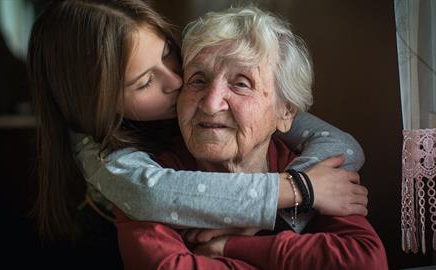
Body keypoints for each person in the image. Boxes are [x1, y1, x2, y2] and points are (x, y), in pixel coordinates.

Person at [28, 0, 366, 247]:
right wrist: (299, 190)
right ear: (97, 105)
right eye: (144, 82)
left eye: (167, 55)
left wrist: (282, 210)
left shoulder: (238, 105)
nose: (177, 81)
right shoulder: (100, 151)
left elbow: (342, 145)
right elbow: (151, 194)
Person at [112, 5, 388, 269]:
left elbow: (365, 261)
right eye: (198, 79)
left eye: (241, 83)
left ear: (286, 112)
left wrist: (229, 246)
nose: (211, 103)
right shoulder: (152, 181)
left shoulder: (312, 170)